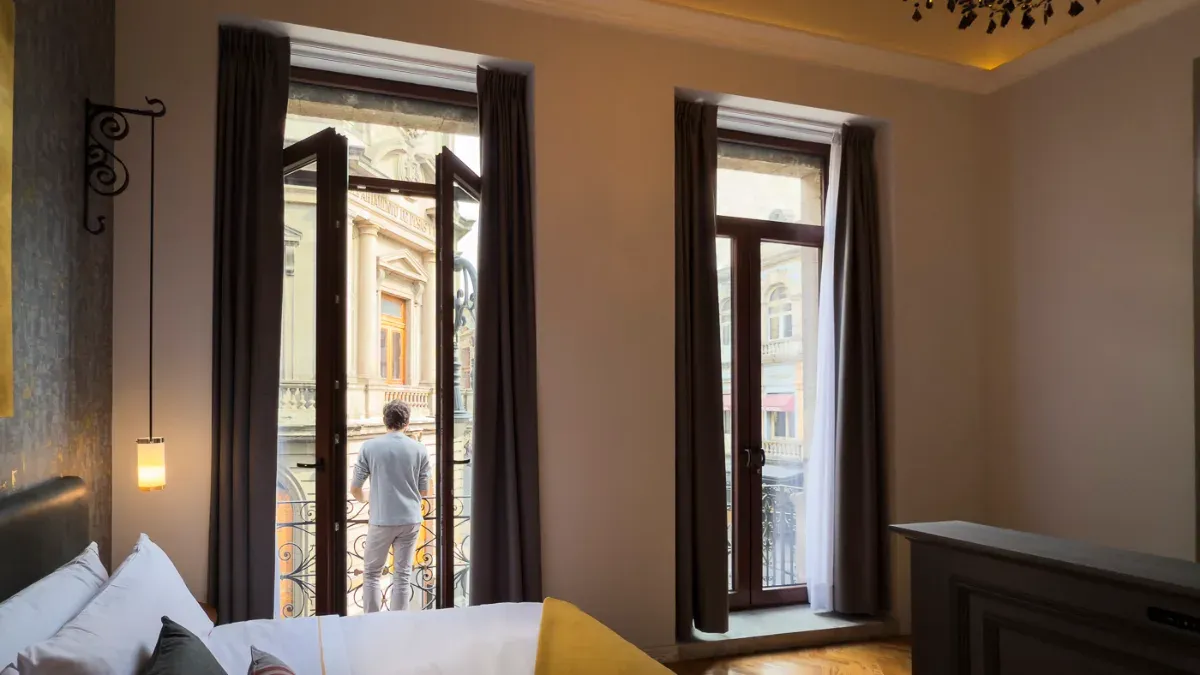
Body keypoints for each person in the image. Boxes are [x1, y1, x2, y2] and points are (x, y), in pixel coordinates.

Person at [350, 400, 431, 613]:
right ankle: (398, 624)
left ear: (385, 421)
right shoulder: (419, 449)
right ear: (407, 422)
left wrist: (366, 498)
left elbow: (355, 488)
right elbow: (424, 491)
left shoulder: (369, 447)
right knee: (402, 575)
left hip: (382, 520)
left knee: (372, 573)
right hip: (410, 520)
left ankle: (373, 622)